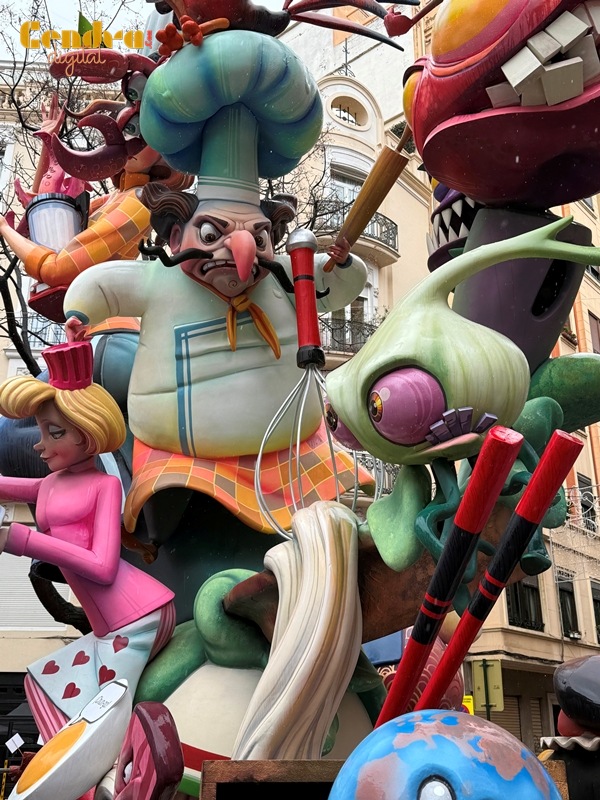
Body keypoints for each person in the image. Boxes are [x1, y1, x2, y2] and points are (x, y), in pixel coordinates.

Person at [0, 341, 175, 742]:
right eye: (42, 431)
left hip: (138, 617)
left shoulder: (105, 485)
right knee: (41, 685)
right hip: (108, 627)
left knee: (98, 722)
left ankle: (120, 763)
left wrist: (22, 539)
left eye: (55, 432)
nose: (40, 444)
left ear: (89, 433)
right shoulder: (49, 484)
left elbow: (102, 566)